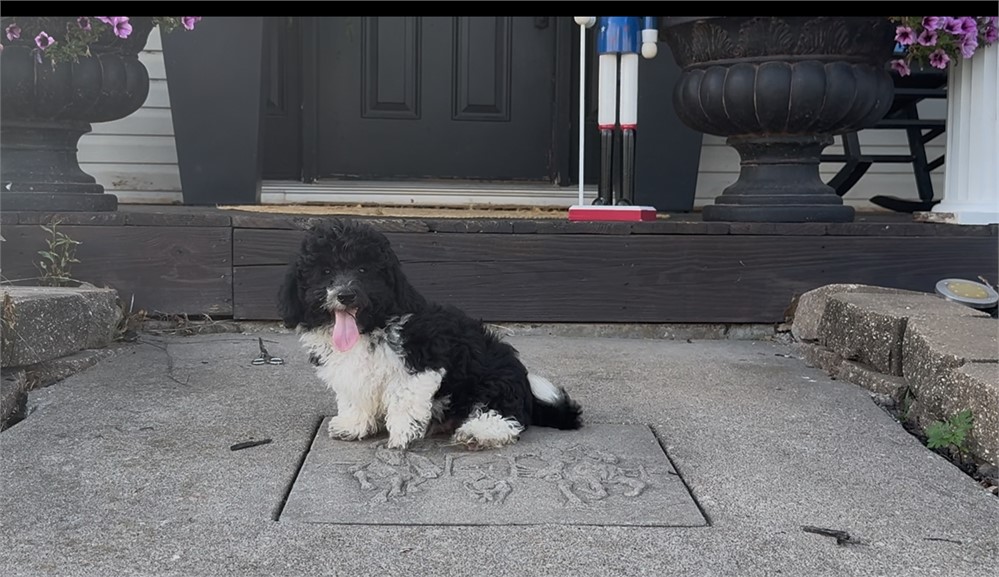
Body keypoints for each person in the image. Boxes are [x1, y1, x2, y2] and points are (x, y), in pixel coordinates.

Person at [574, 16, 659, 205]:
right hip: (606, 37)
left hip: (631, 37)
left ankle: (626, 196)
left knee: (628, 112)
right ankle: (604, 195)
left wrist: (649, 37)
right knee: (606, 112)